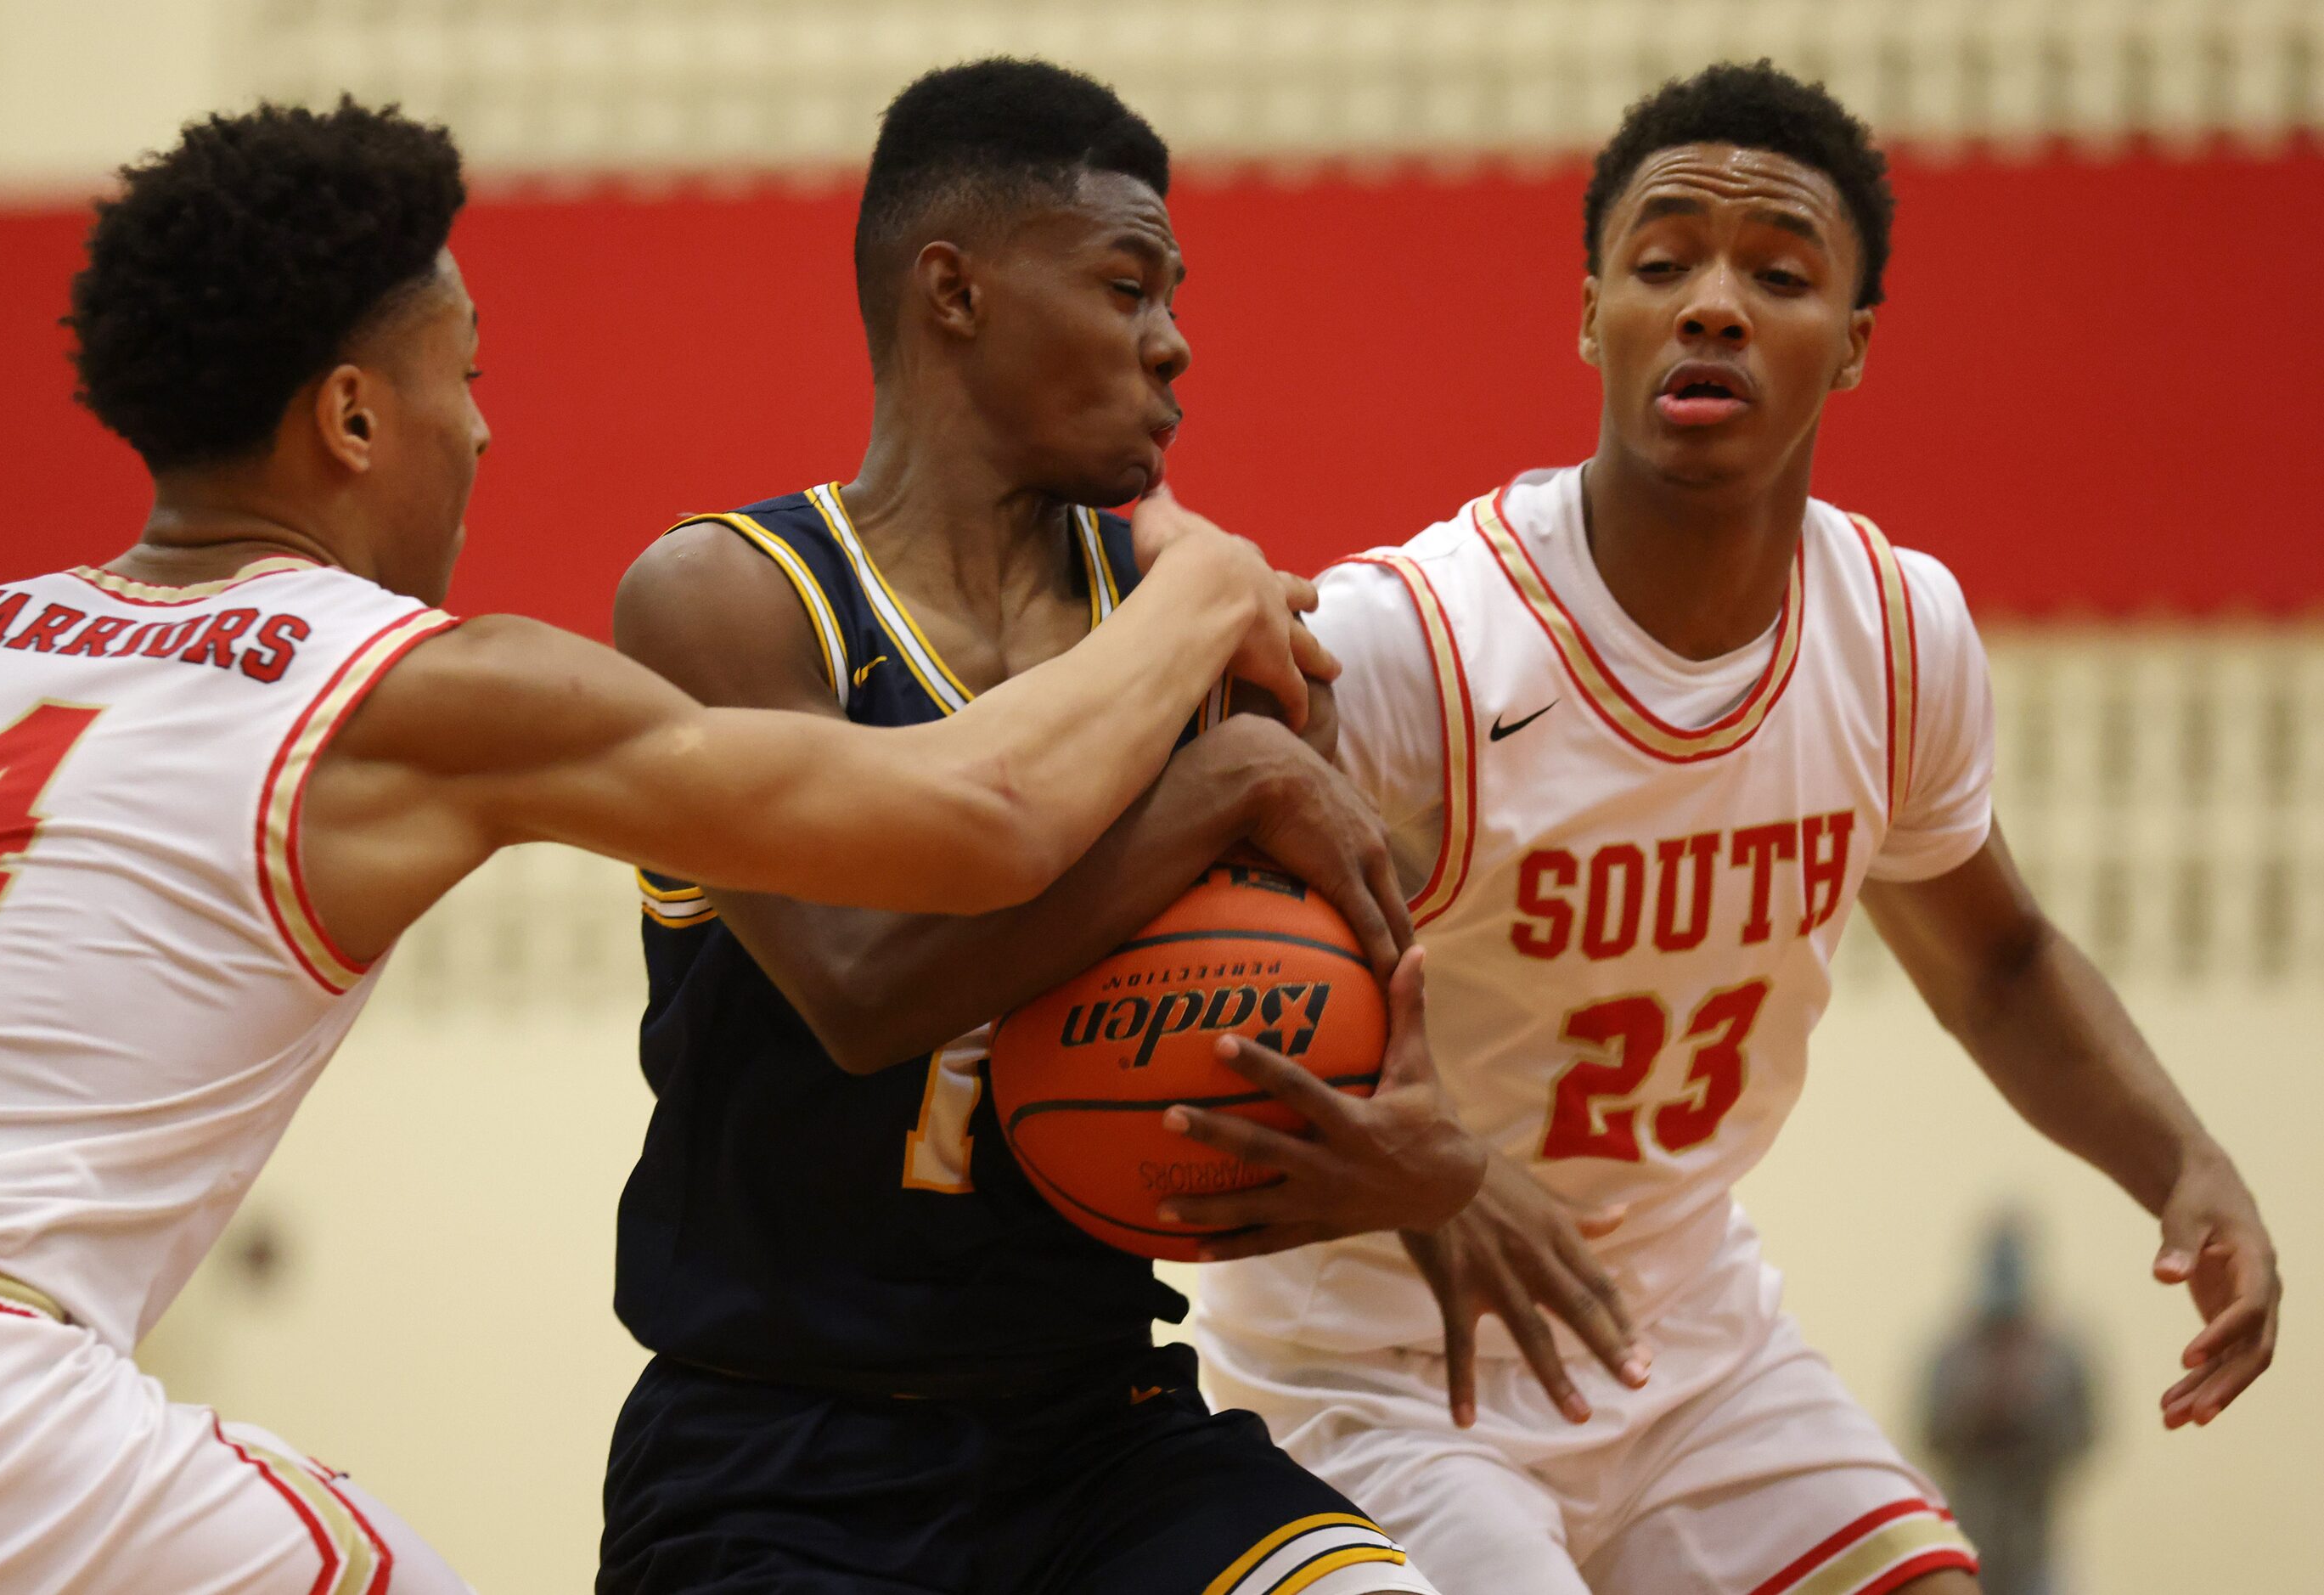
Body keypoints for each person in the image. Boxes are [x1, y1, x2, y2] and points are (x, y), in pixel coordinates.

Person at [0, 99, 1338, 1595]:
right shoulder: (423, 685)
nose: (485, 427)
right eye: (468, 377)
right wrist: (1202, 584)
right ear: (357, 418)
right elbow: (977, 821)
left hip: (1096, 1427)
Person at [1172, 61, 2281, 1595]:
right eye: (1662, 261)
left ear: (1854, 347)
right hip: (1372, 1364)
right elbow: (1167, 978)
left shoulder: (1899, 636)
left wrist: (2185, 1163)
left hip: (1682, 1341)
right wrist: (1406, 1154)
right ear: (1589, 317)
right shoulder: (1418, 647)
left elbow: (2001, 960)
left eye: (1776, 273)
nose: (1711, 303)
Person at [599, 59, 1482, 1595]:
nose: (1175, 342)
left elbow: (1317, 990)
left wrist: (1387, 1157)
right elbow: (865, 986)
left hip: (1102, 1429)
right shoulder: (726, 597)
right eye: (1127, 283)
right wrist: (1216, 786)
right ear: (956, 291)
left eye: (1173, 296)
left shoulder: (1191, 621)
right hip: (780, 1451)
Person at [1922, 1217, 2098, 1595]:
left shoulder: (2059, 1357)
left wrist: (2032, 1417)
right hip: (1969, 1533)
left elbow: (2085, 1435)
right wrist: (1978, 1412)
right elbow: (1931, 1435)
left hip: (2037, 1539)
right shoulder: (1952, 1356)